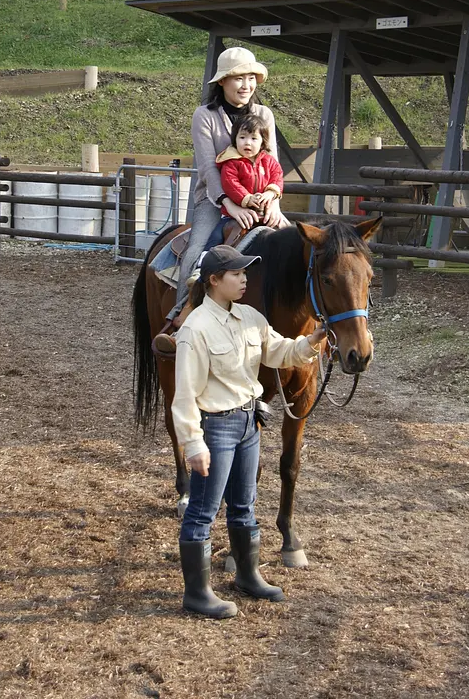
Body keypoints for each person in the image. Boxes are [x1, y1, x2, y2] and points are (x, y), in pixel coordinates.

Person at [172, 244, 325, 619]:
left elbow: (281, 352)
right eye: (237, 274)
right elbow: (185, 395)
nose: (245, 279)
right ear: (214, 281)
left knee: (244, 505)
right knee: (203, 512)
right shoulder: (195, 329)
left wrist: (314, 340)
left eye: (245, 273)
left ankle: (248, 575)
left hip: (248, 423)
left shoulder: (251, 318)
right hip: (217, 427)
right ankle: (197, 593)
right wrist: (194, 444)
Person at [152, 46, 285, 354]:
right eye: (238, 78)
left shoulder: (264, 115)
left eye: (251, 77)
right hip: (214, 202)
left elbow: (274, 163)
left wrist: (274, 202)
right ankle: (180, 321)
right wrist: (231, 205)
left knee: (298, 246)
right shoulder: (205, 116)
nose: (245, 85)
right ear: (222, 82)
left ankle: (307, 323)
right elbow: (209, 168)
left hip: (263, 198)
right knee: (196, 250)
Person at [205, 112, 285, 249]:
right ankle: (204, 261)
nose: (247, 142)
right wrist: (247, 198)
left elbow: (277, 176)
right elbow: (231, 184)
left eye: (254, 138)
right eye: (242, 137)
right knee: (217, 237)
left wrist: (271, 193)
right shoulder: (231, 163)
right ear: (235, 140)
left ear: (262, 143)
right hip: (235, 214)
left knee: (288, 234)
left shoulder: (269, 161)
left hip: (264, 214)